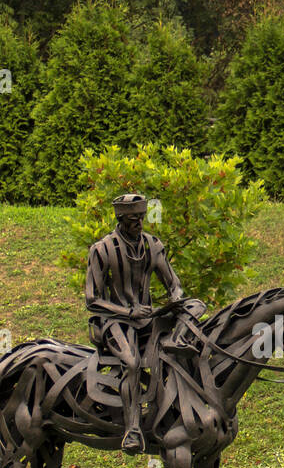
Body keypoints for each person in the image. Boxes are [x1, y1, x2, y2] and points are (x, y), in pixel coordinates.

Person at [85, 193, 200, 454]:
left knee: (196, 307)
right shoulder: (101, 250)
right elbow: (92, 299)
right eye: (132, 218)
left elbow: (173, 282)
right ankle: (133, 429)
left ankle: (178, 343)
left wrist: (177, 297)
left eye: (141, 216)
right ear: (120, 218)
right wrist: (127, 312)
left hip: (149, 319)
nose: (139, 222)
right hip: (115, 323)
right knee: (132, 363)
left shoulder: (153, 245)